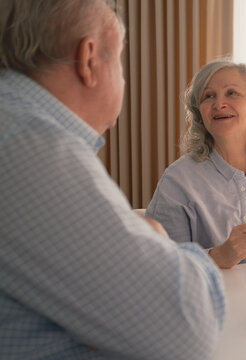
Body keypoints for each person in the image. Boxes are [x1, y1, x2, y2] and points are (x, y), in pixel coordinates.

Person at [0, 1, 225, 359]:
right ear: (89, 59)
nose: (122, 77)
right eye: (119, 61)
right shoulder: (30, 145)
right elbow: (187, 328)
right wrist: (162, 243)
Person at [146, 59, 246, 269]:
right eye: (208, 96)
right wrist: (216, 256)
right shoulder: (177, 181)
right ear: (199, 112)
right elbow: (160, 266)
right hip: (205, 301)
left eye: (232, 93)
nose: (218, 104)